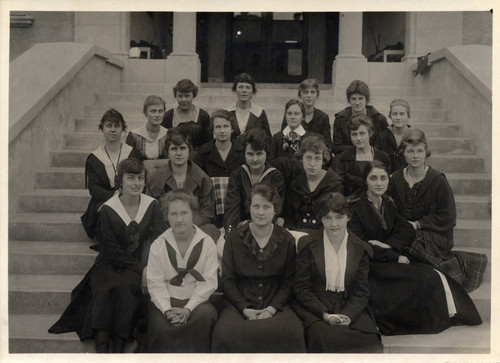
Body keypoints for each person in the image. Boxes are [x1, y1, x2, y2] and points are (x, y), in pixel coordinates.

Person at [348, 160, 481, 335]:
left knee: (432, 274)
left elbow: (405, 229)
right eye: (373, 178)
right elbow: (362, 244)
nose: (379, 183)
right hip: (369, 265)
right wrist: (394, 256)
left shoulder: (387, 204)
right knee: (420, 279)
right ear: (365, 180)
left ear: (388, 180)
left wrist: (389, 245)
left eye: (383, 178)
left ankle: (445, 316)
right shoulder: (356, 207)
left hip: (387, 256)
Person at [49, 158, 164, 353]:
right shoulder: (108, 209)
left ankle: (119, 345)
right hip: (109, 263)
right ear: (120, 181)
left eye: (140, 178)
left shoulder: (151, 205)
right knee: (105, 288)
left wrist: (148, 265)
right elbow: (111, 251)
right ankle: (102, 346)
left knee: (127, 288)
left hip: (135, 263)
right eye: (130, 178)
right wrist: (142, 269)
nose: (136, 183)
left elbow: (159, 237)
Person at [387, 129, 487, 292]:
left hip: (435, 235)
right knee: (399, 241)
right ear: (403, 153)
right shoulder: (396, 178)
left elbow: (448, 216)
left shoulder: (437, 180)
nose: (415, 156)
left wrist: (418, 224)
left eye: (420, 151)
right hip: (404, 233)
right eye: (410, 151)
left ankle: (451, 272)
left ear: (426, 153)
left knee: (407, 241)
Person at [211, 182, 306, 353]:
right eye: (256, 206)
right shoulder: (234, 238)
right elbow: (228, 280)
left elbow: (289, 281)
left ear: (275, 209)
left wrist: (271, 309)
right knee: (224, 334)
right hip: (239, 303)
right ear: (249, 207)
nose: (260, 212)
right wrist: (244, 308)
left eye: (266, 207)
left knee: (293, 333)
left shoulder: (287, 239)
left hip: (276, 303)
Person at [293, 192, 383, 353]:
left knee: (369, 342)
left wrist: (348, 315)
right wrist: (324, 314)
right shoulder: (307, 244)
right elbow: (302, 288)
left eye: (339, 217)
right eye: (327, 218)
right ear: (320, 218)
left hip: (349, 305)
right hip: (317, 307)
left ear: (348, 217)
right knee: (324, 338)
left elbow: (361, 291)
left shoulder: (360, 248)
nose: (333, 224)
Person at [145, 190, 218, 352]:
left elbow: (209, 282)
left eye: (184, 213)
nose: (179, 219)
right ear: (167, 216)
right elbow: (155, 283)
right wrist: (167, 310)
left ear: (193, 213)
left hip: (197, 302)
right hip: (166, 301)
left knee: (206, 317)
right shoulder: (159, 245)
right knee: (159, 327)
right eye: (173, 214)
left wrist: (188, 309)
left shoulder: (207, 244)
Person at [81, 109, 142, 239]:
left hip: (131, 197)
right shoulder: (94, 157)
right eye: (109, 126)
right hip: (104, 198)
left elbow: (140, 179)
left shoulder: (133, 153)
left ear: (123, 129)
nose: (113, 130)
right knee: (105, 211)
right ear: (102, 129)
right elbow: (94, 188)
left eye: (117, 126)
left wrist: (124, 196)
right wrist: (113, 196)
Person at [145, 128, 215, 228]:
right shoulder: (154, 179)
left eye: (182, 148)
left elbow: (207, 214)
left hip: (194, 229)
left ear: (189, 150)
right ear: (167, 152)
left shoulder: (203, 179)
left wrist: (185, 226)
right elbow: (151, 213)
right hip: (165, 231)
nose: (178, 153)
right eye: (174, 149)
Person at [224, 128, 285, 234]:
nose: (255, 159)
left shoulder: (276, 176)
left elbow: (273, 210)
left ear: (266, 153)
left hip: (266, 227)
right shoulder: (237, 175)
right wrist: (232, 232)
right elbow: (232, 208)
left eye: (259, 154)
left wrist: (251, 226)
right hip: (240, 227)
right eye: (250, 154)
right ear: (244, 154)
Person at [191, 109, 245, 228]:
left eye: (225, 126)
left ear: (232, 128)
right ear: (213, 130)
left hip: (236, 208)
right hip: (211, 210)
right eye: (218, 127)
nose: (222, 131)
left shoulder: (242, 152)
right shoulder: (203, 153)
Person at [284, 134, 343, 232]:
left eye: (317, 158)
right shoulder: (296, 184)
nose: (312, 164)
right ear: (301, 159)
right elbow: (290, 217)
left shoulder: (334, 184)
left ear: (323, 160)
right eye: (308, 158)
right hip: (298, 232)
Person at [333, 114, 391, 198]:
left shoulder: (383, 157)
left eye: (362, 133)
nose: (358, 138)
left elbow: (386, 185)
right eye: (354, 134)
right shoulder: (343, 158)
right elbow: (339, 189)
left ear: (370, 133)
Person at [332, 80, 388, 155]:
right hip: (348, 158)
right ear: (349, 100)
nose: (357, 103)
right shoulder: (340, 119)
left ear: (366, 99)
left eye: (360, 98)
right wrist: (357, 149)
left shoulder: (379, 119)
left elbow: (384, 145)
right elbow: (337, 147)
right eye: (353, 99)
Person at [280, 78, 333, 152]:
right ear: (300, 95)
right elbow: (283, 138)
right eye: (305, 92)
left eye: (312, 92)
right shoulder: (292, 115)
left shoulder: (323, 117)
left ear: (317, 95)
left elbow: (328, 144)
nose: (309, 96)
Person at [161, 79, 212, 150]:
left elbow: (209, 142)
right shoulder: (168, 116)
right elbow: (164, 143)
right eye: (180, 96)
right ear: (176, 96)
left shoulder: (203, 116)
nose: (183, 100)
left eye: (187, 96)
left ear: (193, 96)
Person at [225, 72, 271, 143]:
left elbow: (268, 138)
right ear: (235, 90)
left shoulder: (260, 112)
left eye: (248, 87)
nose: (244, 91)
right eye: (240, 87)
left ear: (253, 91)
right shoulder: (227, 112)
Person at [126, 95, 169, 160]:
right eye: (153, 111)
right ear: (145, 113)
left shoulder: (168, 135)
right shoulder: (134, 136)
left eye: (160, 111)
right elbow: (130, 163)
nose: (157, 115)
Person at [374, 99, 411, 173]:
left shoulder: (414, 136)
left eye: (402, 114)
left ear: (408, 116)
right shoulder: (382, 137)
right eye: (395, 114)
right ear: (390, 116)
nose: (398, 118)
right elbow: (377, 162)